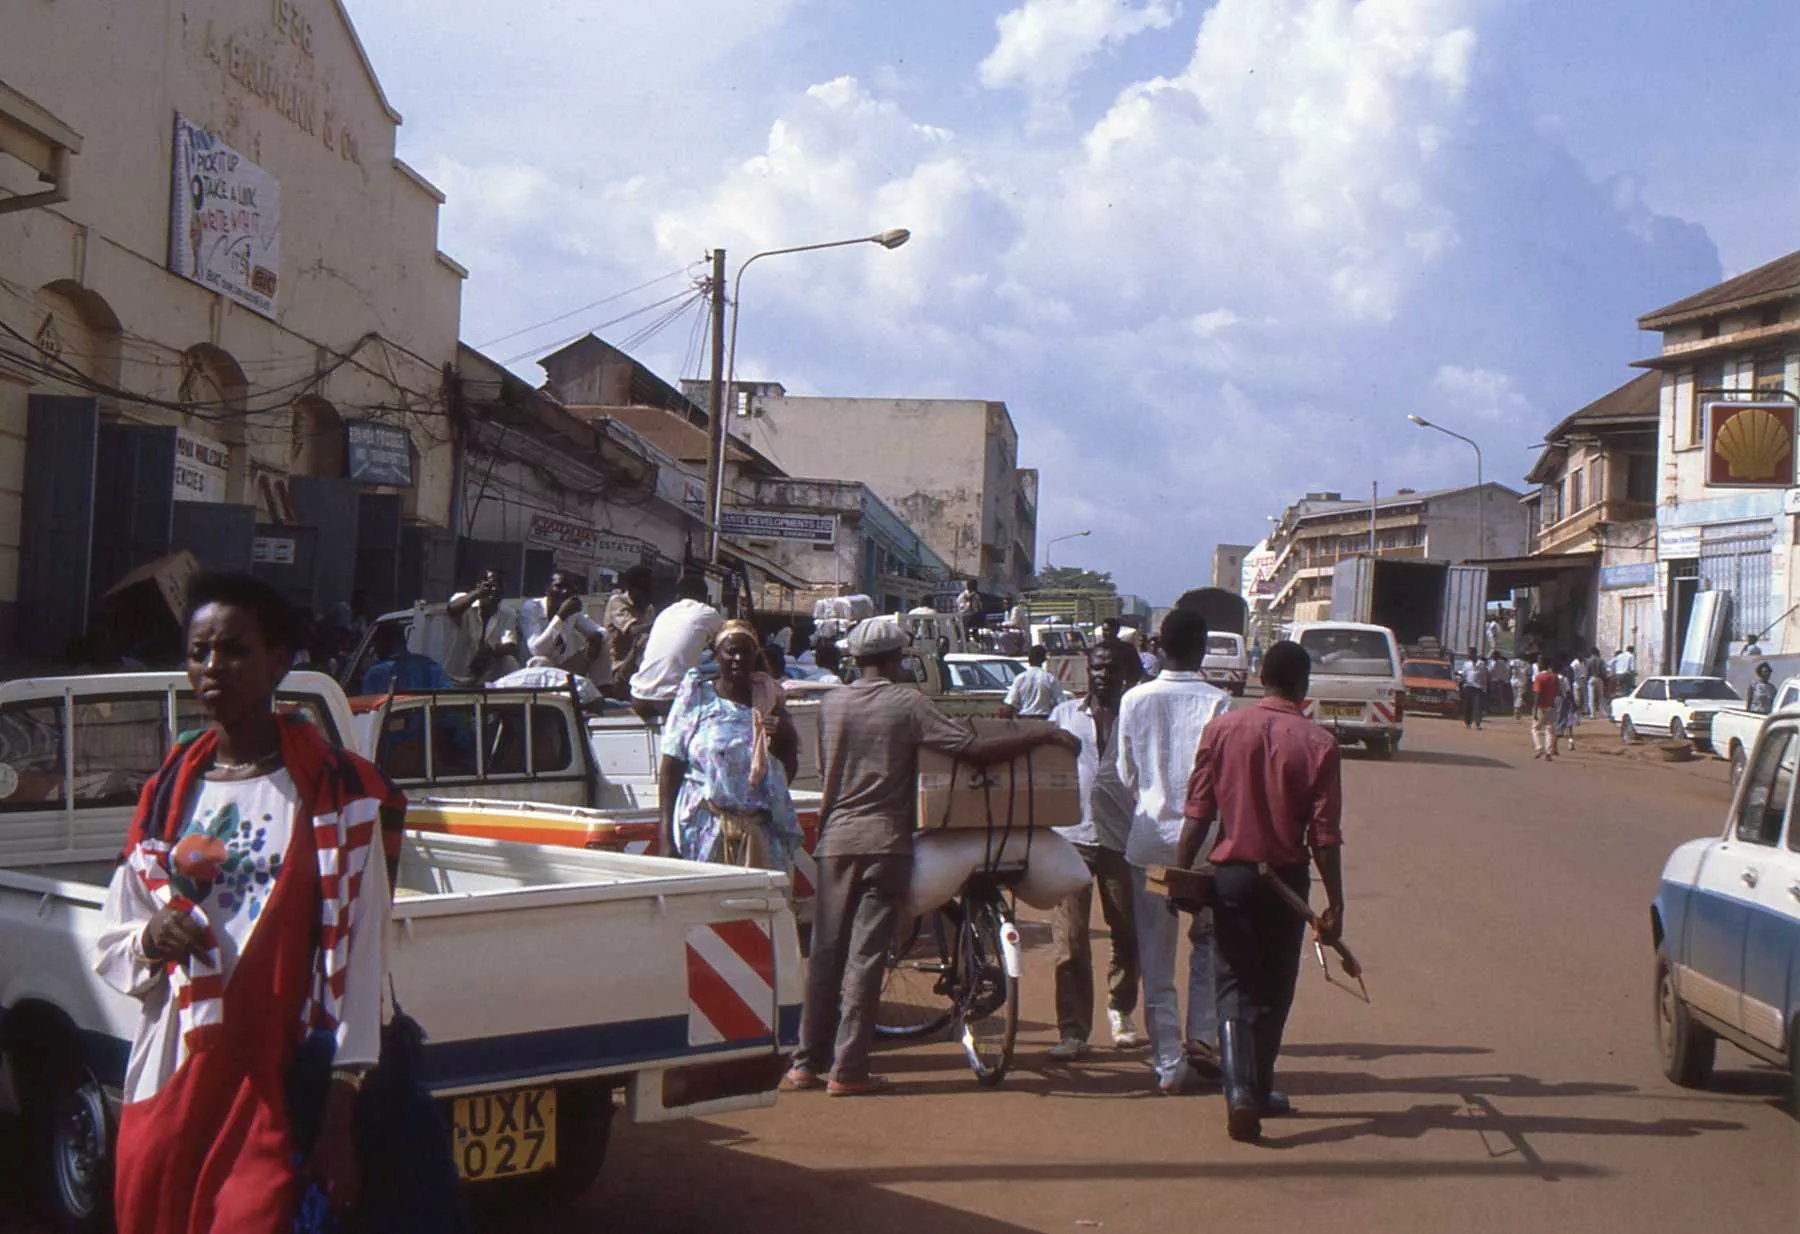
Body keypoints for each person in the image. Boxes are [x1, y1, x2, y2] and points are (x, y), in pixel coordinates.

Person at [96, 574, 406, 1232]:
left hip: (273, 1089)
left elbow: (362, 960)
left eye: (234, 650)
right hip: (170, 1076)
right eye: (199, 652)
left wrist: (337, 1122)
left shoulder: (339, 795)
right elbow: (117, 938)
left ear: (279, 660)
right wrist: (152, 937)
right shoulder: (169, 791)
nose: (213, 667)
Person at [785, 617, 1078, 1097]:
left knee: (825, 954)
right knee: (865, 957)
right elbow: (972, 750)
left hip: (834, 840)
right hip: (885, 844)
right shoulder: (908, 704)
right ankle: (848, 1070)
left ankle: (805, 1064)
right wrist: (1041, 736)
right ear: (895, 659)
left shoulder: (832, 704)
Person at [1178, 640, 1344, 1143]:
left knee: (1232, 984)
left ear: (1262, 678)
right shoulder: (1319, 743)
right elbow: (1324, 835)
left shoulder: (1222, 730)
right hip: (1285, 883)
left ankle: (1240, 1096)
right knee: (1274, 989)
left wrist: (1179, 872)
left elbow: (1199, 811)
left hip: (1230, 877)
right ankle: (1258, 1088)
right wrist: (1335, 902)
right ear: (1303, 685)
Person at [1118, 608, 1231, 1094]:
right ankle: (1201, 1039)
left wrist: (1152, 797)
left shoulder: (1134, 699)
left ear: (1160, 648)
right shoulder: (1219, 701)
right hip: (1205, 846)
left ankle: (1167, 1065)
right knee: (1209, 942)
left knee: (1155, 957)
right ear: (1203, 650)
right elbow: (1225, 782)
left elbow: (1125, 773)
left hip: (1149, 844)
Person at [1046, 642, 1146, 1060]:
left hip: (1123, 842)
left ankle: (1120, 1010)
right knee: (1070, 941)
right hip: (1071, 839)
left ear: (1126, 674)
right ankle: (1073, 1030)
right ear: (1088, 670)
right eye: (1098, 668)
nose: (1104, 675)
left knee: (1128, 932)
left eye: (1112, 669)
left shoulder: (1137, 716)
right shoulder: (1064, 715)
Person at [657, 621, 802, 870]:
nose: (738, 659)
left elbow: (786, 771)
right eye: (730, 651)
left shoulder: (768, 699)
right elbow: (671, 767)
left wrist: (785, 735)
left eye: (745, 652)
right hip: (705, 831)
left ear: (755, 655)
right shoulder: (698, 697)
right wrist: (665, 836)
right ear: (717, 654)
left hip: (759, 832)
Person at [629, 575, 723, 723]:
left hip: (639, 699)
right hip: (671, 700)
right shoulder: (708, 612)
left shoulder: (665, 612)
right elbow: (726, 644)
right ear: (705, 598)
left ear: (678, 596)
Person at [445, 568, 520, 685]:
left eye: (499, 586)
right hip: (456, 673)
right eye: (491, 585)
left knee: (510, 662)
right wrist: (477, 594)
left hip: (488, 677)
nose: (495, 589)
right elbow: (451, 609)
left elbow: (510, 645)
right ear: (479, 585)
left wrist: (491, 650)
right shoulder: (464, 600)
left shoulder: (508, 614)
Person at [604, 566, 658, 695]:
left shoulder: (649, 609)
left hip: (642, 667)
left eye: (649, 590)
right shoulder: (618, 602)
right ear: (631, 588)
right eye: (643, 589)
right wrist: (661, 625)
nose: (647, 594)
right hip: (618, 668)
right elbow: (633, 630)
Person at [359, 622, 452, 694]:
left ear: (382, 642)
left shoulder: (376, 673)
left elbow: (367, 708)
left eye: (375, 643)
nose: (373, 649)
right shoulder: (432, 666)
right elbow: (447, 698)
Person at [1003, 645, 1068, 718]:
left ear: (1029, 659)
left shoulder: (1020, 678)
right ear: (1044, 659)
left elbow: (1010, 705)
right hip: (1045, 720)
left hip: (1024, 719)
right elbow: (1061, 704)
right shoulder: (1050, 679)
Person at [1530, 658, 1563, 760]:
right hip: (1551, 705)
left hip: (1541, 706)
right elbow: (1557, 692)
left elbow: (1537, 694)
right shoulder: (1554, 677)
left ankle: (1539, 748)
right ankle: (1548, 751)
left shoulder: (1539, 677)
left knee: (1535, 728)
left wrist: (1535, 708)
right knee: (1550, 729)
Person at [1556, 656, 1582, 750]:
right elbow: (1569, 691)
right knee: (1569, 720)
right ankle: (1570, 739)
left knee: (1557, 722)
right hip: (1568, 699)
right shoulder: (1568, 675)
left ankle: (1554, 744)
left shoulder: (1557, 677)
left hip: (1558, 701)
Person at [1459, 648, 1487, 730]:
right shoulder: (1466, 664)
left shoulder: (1481, 664)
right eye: (1469, 653)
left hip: (1478, 688)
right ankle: (1468, 722)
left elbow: (1484, 677)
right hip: (1468, 687)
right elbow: (1463, 675)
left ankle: (1478, 724)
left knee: (1477, 706)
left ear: (1474, 653)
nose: (1469, 655)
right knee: (1468, 706)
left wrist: (1484, 689)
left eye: (1470, 653)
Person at [1583, 647, 1609, 717]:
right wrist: (1605, 679)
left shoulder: (1588, 661)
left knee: (1591, 697)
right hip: (1599, 678)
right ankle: (1605, 712)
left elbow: (1587, 672)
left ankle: (1592, 714)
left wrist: (1586, 680)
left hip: (1591, 678)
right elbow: (1604, 671)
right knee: (1601, 696)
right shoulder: (1601, 660)